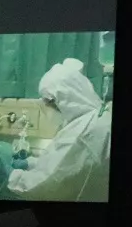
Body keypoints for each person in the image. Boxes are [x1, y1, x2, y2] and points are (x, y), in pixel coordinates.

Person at [6, 58, 110, 202]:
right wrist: (30, 163)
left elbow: (47, 185)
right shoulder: (85, 120)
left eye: (49, 102)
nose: (47, 107)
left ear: (66, 98)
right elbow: (63, 165)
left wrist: (11, 175)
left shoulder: (84, 132)